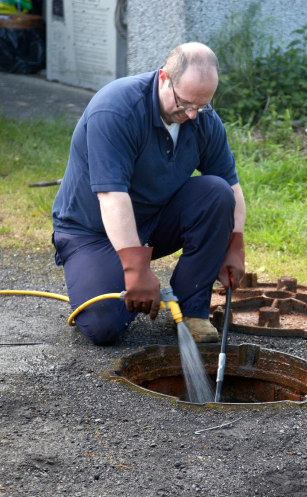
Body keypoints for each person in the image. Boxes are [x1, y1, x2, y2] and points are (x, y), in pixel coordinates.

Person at [52, 42, 246, 346]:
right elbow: (112, 197)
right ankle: (114, 275)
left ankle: (193, 309)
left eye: (203, 105)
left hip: (153, 221)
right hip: (91, 231)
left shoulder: (202, 118)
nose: (193, 115)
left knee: (217, 193)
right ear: (163, 78)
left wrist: (235, 244)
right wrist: (135, 268)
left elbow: (231, 187)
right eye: (184, 104)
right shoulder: (117, 110)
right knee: (104, 327)